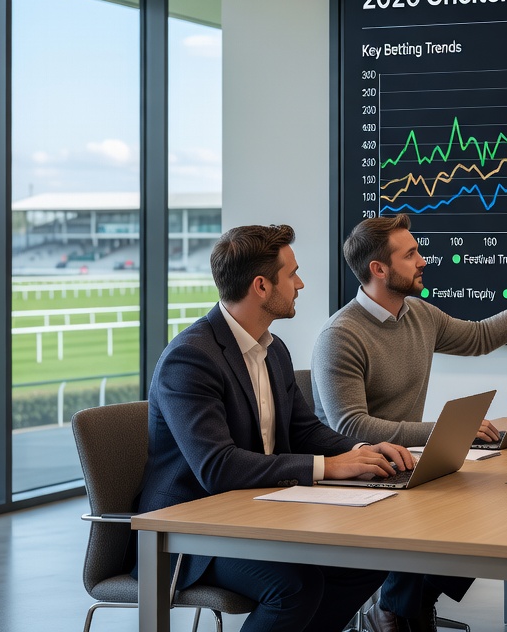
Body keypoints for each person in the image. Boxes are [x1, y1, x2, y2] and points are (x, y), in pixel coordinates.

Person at [137, 224, 416, 632]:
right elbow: (218, 468)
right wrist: (328, 467)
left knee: (366, 563)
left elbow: (306, 432)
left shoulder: (272, 349)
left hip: (260, 514)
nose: (301, 284)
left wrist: (366, 450)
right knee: (295, 586)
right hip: (188, 533)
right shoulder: (190, 360)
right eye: (293, 274)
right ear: (262, 286)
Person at [310, 214, 507, 632]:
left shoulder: (417, 313)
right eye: (411, 254)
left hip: (408, 460)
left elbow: (480, 337)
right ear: (378, 269)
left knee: (485, 506)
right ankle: (398, 610)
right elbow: (350, 426)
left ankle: (405, 603)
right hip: (359, 467)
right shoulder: (340, 335)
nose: (423, 260)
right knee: (452, 508)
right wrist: (444, 431)